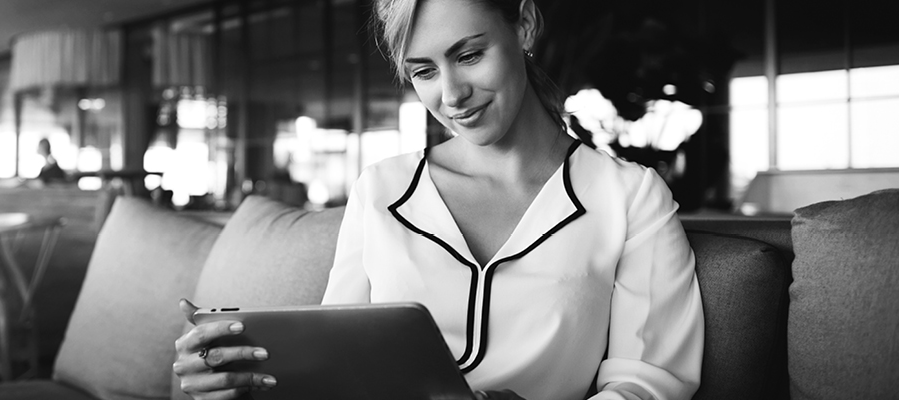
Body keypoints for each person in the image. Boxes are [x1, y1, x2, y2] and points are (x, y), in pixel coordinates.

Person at [173, 0, 703, 398]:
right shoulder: (381, 189)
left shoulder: (629, 196)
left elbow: (649, 383)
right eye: (423, 71)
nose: (450, 97)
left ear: (523, 26)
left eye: (469, 55)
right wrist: (246, 384)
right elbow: (338, 368)